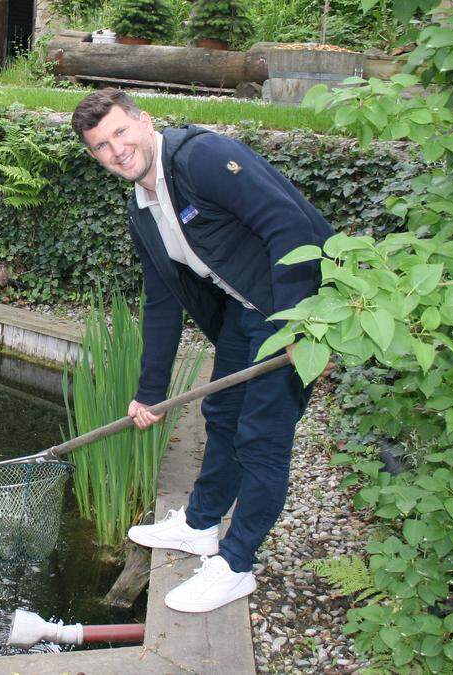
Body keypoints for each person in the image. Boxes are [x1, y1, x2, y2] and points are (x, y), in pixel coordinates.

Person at [71, 88, 334, 613]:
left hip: (290, 306)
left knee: (263, 434)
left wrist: (299, 323)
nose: (117, 150)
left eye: (121, 132)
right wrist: (148, 394)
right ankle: (201, 524)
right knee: (222, 412)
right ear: (94, 156)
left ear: (145, 122)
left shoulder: (202, 158)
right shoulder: (142, 210)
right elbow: (162, 302)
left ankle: (237, 565)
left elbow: (290, 226)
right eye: (101, 146)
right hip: (247, 308)